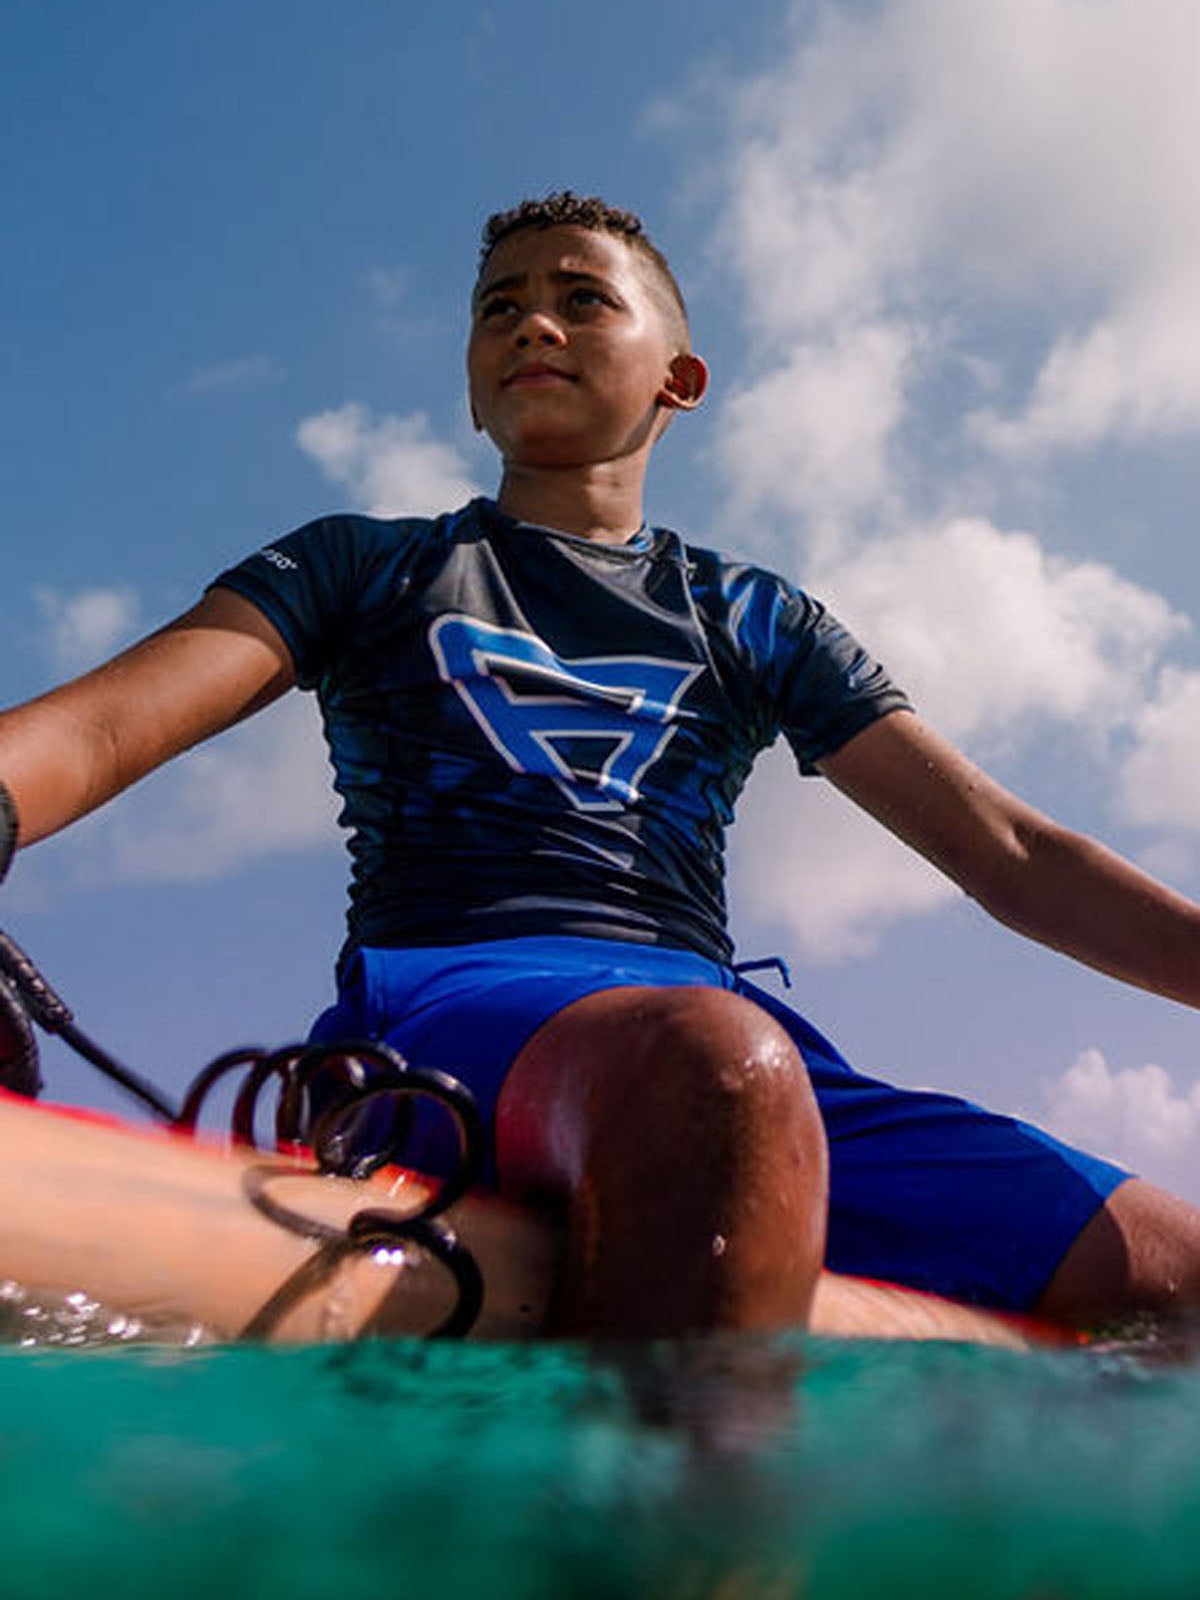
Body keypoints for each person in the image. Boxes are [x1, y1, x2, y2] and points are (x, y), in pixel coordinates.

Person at [4, 191, 1200, 1342]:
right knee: (718, 1070)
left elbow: (1013, 852)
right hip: (445, 1015)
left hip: (727, 1042)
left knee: (1175, 1268)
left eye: (584, 298)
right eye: (500, 307)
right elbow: (97, 730)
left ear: (679, 379)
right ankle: (663, 1554)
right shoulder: (364, 567)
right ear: (474, 387)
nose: (534, 321)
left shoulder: (752, 614)